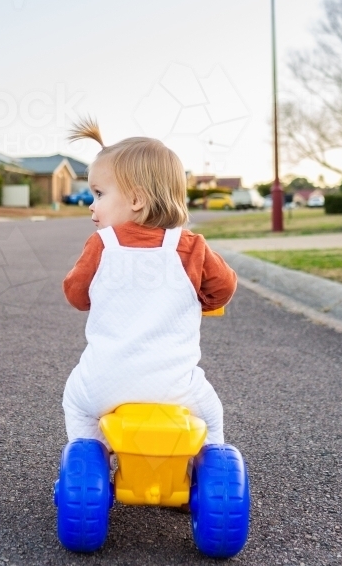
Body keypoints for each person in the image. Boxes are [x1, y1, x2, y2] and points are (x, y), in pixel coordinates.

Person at [62, 117, 237, 447]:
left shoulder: (101, 245)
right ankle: (210, 462)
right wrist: (203, 300)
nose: (91, 205)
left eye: (99, 194)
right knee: (211, 414)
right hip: (175, 386)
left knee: (77, 404)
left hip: (104, 383)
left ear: (136, 200)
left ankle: (89, 455)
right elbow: (224, 289)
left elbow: (76, 295)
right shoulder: (190, 247)